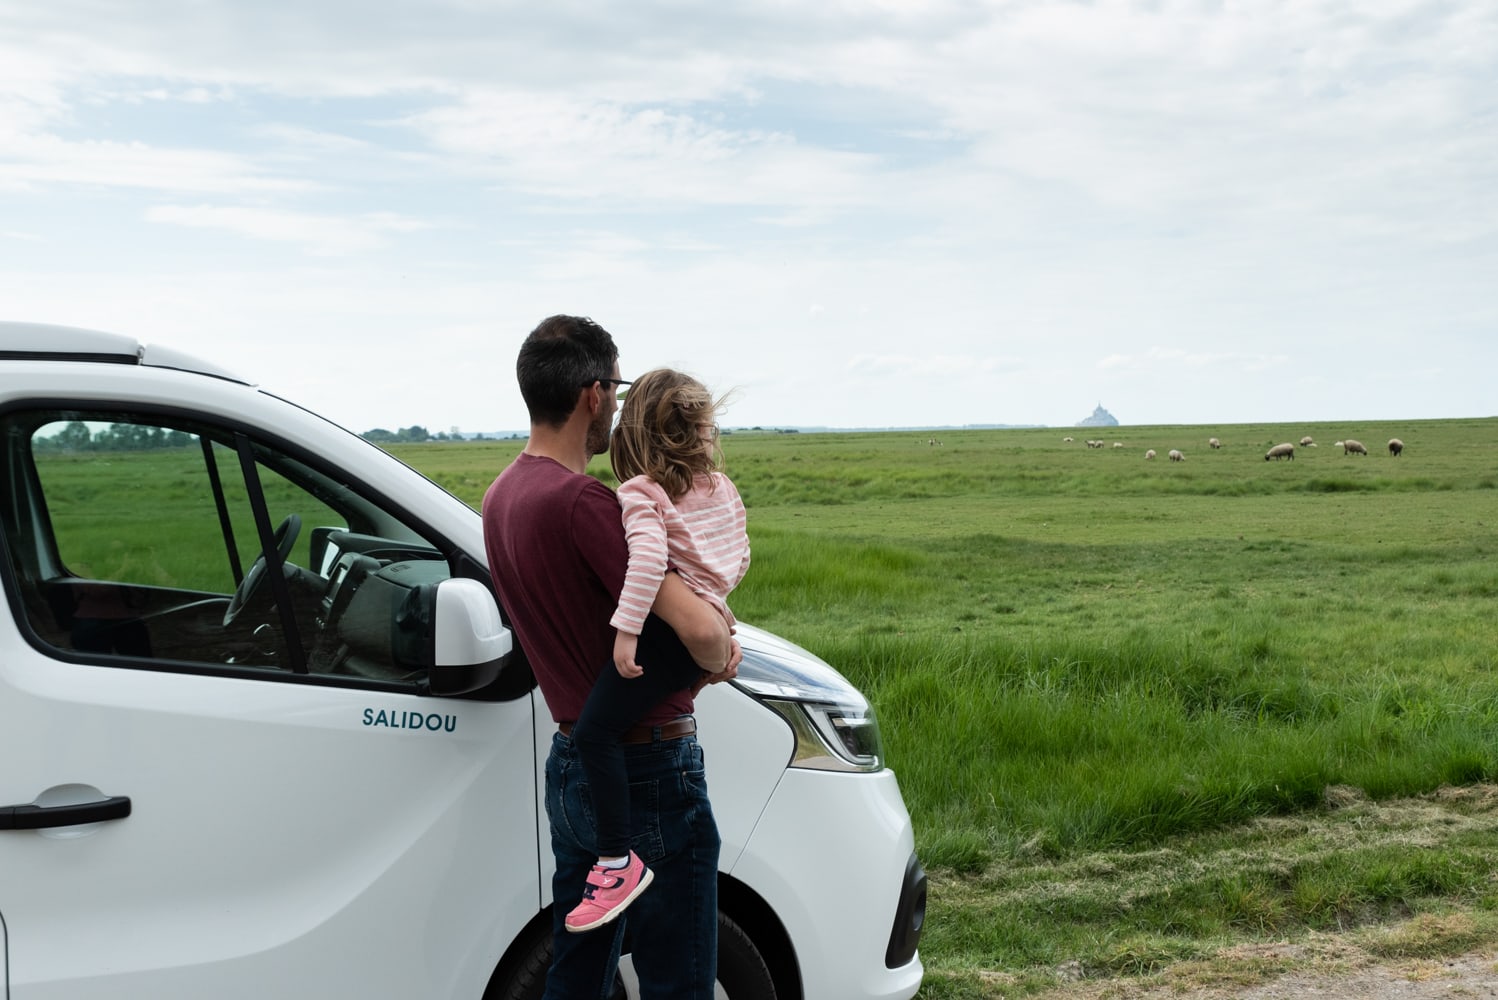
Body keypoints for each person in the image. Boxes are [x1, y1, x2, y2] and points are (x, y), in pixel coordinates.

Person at [482, 315, 739, 999]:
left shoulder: (501, 496)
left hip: (576, 764)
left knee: (578, 972)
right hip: (648, 768)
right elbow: (702, 635)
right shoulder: (585, 506)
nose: (620, 411)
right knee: (678, 976)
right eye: (617, 392)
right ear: (593, 394)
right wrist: (723, 647)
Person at [565, 368, 750, 933]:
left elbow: (646, 562)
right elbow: (737, 558)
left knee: (594, 732)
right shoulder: (721, 489)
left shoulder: (641, 492)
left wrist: (626, 630)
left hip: (666, 635)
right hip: (708, 620)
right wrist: (715, 607)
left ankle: (616, 863)